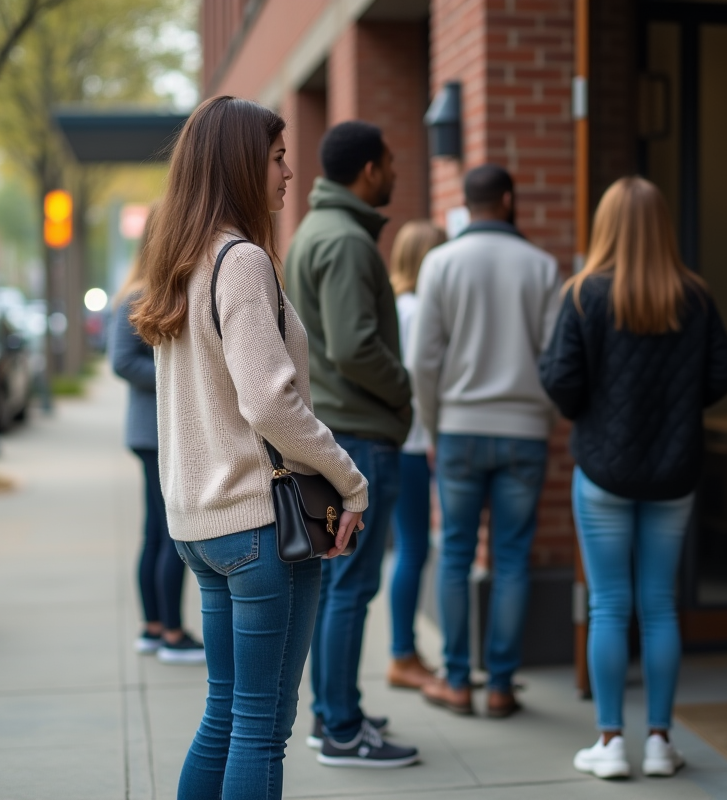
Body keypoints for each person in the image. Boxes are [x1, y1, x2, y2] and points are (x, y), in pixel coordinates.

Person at [130, 95, 369, 800]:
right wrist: (350, 480)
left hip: (202, 528)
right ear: (239, 164)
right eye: (277, 158)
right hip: (259, 526)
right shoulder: (239, 262)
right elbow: (270, 401)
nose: (290, 173)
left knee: (226, 716)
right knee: (260, 727)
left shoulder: (180, 261)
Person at [538, 176, 727, 780]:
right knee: (659, 606)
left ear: (607, 227)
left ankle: (609, 743)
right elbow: (723, 373)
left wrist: (593, 410)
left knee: (607, 605)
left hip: (603, 470)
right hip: (674, 473)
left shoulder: (583, 295)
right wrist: (678, 408)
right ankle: (658, 742)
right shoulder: (694, 297)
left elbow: (560, 380)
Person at [283, 120, 419, 768]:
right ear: (369, 170)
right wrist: (404, 389)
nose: (395, 172)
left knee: (341, 584)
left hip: (345, 431)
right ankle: (340, 727)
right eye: (389, 163)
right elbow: (353, 346)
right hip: (360, 435)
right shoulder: (344, 240)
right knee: (351, 586)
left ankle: (334, 713)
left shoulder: (320, 231)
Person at [410, 164, 562, 719]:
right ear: (508, 199)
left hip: (458, 429)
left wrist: (434, 425)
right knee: (512, 559)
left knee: (454, 554)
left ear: (467, 203)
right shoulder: (542, 266)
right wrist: (543, 418)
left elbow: (422, 360)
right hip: (524, 431)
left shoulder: (441, 263)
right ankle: (500, 686)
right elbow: (556, 360)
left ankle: (457, 681)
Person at [109, 205, 204, 665]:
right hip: (155, 431)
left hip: (153, 431)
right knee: (169, 532)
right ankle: (171, 631)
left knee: (155, 530)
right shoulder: (140, 294)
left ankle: (153, 627)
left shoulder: (156, 290)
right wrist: (176, 377)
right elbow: (121, 362)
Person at [386, 220, 446, 691]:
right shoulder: (418, 309)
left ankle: (404, 651)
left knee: (408, 547)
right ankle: (403, 653)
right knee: (413, 548)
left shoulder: (395, 306)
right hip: (415, 445)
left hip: (401, 443)